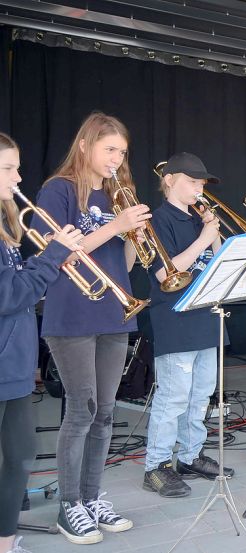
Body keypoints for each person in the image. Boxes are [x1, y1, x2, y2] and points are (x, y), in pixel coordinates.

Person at [32, 113, 148, 544]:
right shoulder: (58, 190)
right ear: (85, 146)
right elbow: (56, 252)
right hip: (72, 313)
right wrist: (116, 227)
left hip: (114, 312)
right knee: (81, 410)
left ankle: (92, 496)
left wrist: (135, 238)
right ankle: (69, 506)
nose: (117, 159)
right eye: (109, 149)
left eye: (122, 151)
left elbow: (126, 262)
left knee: (105, 412)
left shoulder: (119, 195)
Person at [0, 133, 83, 553]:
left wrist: (49, 257)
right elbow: (8, 296)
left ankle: (6, 541)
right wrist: (52, 256)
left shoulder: (6, 223)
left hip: (13, 365)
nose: (18, 177)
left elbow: (16, 285)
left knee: (18, 460)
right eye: (8, 168)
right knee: (10, 462)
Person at [143, 152, 232, 498]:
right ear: (169, 180)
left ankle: (190, 455)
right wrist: (202, 237)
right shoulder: (157, 220)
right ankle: (156, 465)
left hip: (207, 316)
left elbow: (220, 261)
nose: (199, 189)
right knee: (174, 398)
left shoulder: (200, 220)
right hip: (176, 320)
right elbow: (166, 272)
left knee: (200, 396)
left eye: (201, 183)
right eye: (192, 182)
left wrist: (212, 233)